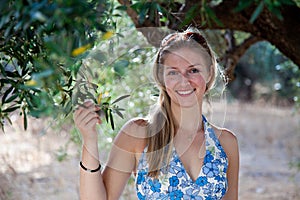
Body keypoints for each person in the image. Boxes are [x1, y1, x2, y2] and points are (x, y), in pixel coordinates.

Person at [74, 28, 239, 200]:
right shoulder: (138, 134)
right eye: (173, 72)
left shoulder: (225, 143)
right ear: (161, 77)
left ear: (209, 72)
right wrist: (89, 139)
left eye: (193, 70)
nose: (184, 81)